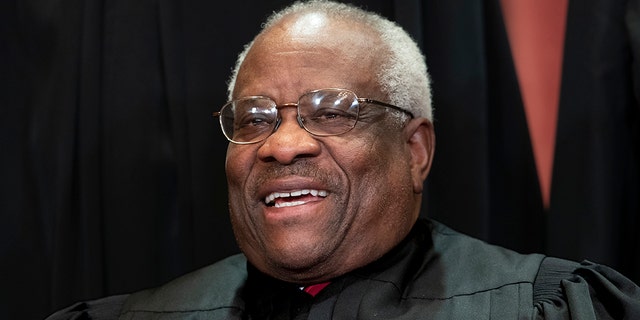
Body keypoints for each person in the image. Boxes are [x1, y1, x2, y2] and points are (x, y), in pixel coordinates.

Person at [46, 0, 640, 319]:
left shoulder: (548, 308)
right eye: (253, 119)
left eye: (330, 112)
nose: (282, 144)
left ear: (416, 150)